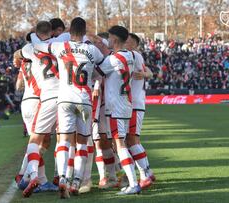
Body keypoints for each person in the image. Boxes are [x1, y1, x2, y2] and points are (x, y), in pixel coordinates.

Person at [34, 17, 105, 198]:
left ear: (69, 31)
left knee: (64, 141)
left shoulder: (60, 46)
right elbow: (103, 67)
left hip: (65, 99)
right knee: (82, 143)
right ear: (84, 31)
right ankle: (76, 182)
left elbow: (39, 45)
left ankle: (63, 178)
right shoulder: (92, 50)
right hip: (85, 100)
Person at [14, 21, 60, 197]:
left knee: (42, 141)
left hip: (27, 99)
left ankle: (28, 175)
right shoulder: (50, 49)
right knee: (39, 140)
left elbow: (18, 85)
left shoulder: (25, 55)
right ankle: (31, 176)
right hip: (38, 99)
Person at [96, 25, 141, 195]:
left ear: (114, 39)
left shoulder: (113, 59)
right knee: (120, 144)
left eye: (109, 37)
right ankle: (131, 181)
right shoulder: (129, 55)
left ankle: (133, 183)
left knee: (120, 145)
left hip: (115, 106)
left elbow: (96, 71)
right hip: (126, 104)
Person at [126, 33, 156, 189]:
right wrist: (146, 73)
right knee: (130, 140)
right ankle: (148, 172)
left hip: (134, 104)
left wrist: (145, 74)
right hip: (133, 104)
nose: (125, 43)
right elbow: (149, 71)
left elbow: (148, 72)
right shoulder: (136, 56)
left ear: (135, 44)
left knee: (132, 140)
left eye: (128, 41)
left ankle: (145, 175)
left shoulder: (134, 55)